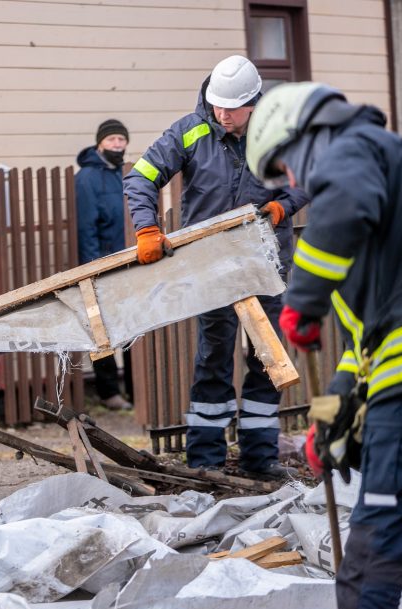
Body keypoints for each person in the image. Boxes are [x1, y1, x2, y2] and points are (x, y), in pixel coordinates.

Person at [247, 82, 402, 609]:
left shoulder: (354, 148)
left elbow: (341, 206)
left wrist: (302, 300)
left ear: (303, 135)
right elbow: (362, 356)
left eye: (285, 165)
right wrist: (324, 429)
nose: (295, 183)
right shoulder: (396, 198)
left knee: (370, 561)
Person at [123, 55, 308, 480]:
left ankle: (260, 460)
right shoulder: (191, 131)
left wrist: (285, 204)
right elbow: (141, 178)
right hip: (210, 265)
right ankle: (205, 461)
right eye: (218, 105)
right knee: (213, 357)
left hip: (266, 264)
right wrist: (148, 228)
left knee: (266, 358)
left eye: (233, 107)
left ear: (253, 102)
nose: (224, 114)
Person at [75, 119, 134, 411]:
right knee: (103, 330)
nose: (117, 145)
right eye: (112, 140)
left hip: (130, 262)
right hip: (102, 265)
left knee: (134, 326)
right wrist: (92, 268)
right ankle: (108, 391)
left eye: (121, 140)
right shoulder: (87, 177)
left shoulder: (123, 173)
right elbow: (86, 227)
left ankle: (135, 391)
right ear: (100, 143)